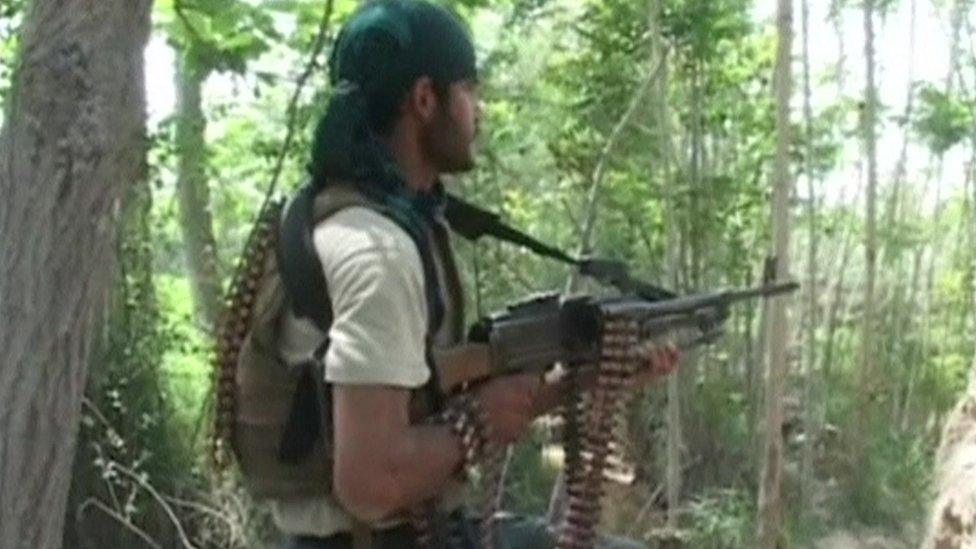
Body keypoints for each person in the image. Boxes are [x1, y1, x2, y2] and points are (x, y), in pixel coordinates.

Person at [270, 1, 679, 547]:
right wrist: (480, 421)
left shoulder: (341, 214)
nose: (477, 111)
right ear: (424, 99)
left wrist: (589, 376)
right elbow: (369, 483)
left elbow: (419, 405)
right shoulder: (379, 252)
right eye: (468, 90)